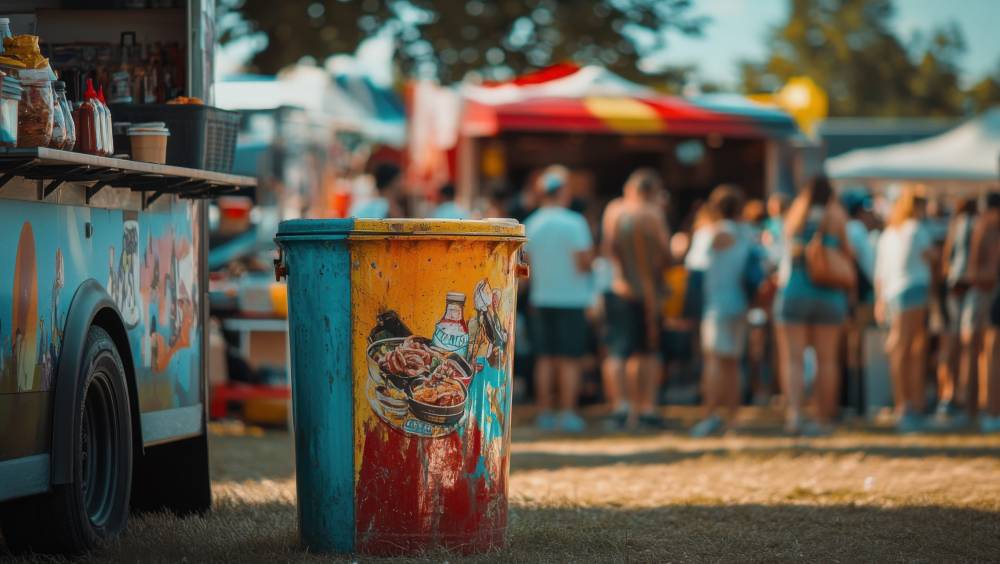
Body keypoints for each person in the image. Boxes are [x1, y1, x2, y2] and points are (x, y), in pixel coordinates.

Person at [773, 174, 852, 435]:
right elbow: (848, 252)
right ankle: (823, 418)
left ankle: (794, 415)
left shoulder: (796, 216)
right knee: (827, 360)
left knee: (793, 359)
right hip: (829, 294)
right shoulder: (836, 216)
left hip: (795, 289)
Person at [523, 165, 594, 432]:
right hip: (572, 298)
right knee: (570, 358)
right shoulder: (575, 222)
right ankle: (567, 412)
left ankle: (545, 411)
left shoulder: (531, 222)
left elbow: (525, 266)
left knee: (544, 357)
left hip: (542, 297)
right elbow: (584, 262)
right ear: (563, 191)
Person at [601, 168, 672, 429]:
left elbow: (608, 249)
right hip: (647, 292)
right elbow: (665, 254)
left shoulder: (614, 211)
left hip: (618, 288)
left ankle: (621, 406)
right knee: (647, 352)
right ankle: (647, 407)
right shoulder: (653, 213)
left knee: (618, 351)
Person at [690, 186, 752, 437]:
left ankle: (709, 414)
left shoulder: (708, 234)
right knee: (733, 363)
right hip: (740, 303)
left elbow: (694, 264)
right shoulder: (748, 233)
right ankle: (734, 418)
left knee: (713, 361)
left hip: (715, 304)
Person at [874, 186, 935, 433]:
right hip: (915, 289)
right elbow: (932, 257)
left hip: (892, 293)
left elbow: (880, 273)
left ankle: (903, 403)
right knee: (912, 348)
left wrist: (880, 300)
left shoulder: (889, 233)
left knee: (899, 347)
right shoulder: (917, 229)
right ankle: (911, 404)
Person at [936, 198, 977, 424]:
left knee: (952, 344)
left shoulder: (954, 225)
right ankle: (961, 396)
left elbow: (945, 262)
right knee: (966, 345)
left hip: (952, 287)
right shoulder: (974, 223)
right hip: (971, 285)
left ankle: (948, 394)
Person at [966, 193, 1000, 432]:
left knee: (988, 355)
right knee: (991, 354)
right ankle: (989, 410)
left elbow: (974, 271)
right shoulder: (989, 227)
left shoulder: (983, 226)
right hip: (992, 294)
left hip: (988, 294)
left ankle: (987, 410)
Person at [842, 190, 877, 416]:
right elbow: (863, 265)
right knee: (856, 350)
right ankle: (856, 403)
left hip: (846, 296)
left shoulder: (847, 228)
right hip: (857, 298)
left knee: (849, 349)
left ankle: (849, 402)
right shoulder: (856, 230)